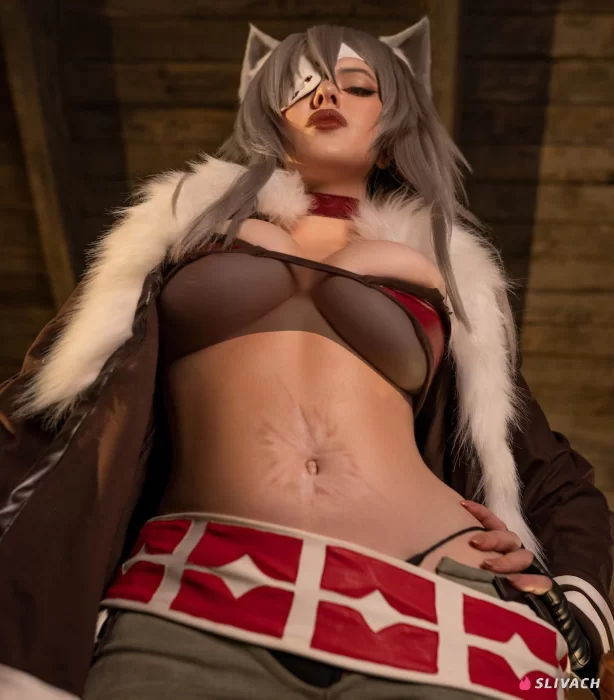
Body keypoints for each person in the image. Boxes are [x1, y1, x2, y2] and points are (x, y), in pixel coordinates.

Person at [0, 19, 611, 700]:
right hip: (198, 585)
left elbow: (552, 474)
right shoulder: (178, 228)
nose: (326, 96)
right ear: (268, 117)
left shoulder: (451, 275)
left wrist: (576, 611)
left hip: (440, 601)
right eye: (301, 86)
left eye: (358, 86)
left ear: (394, 130)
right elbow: (43, 405)